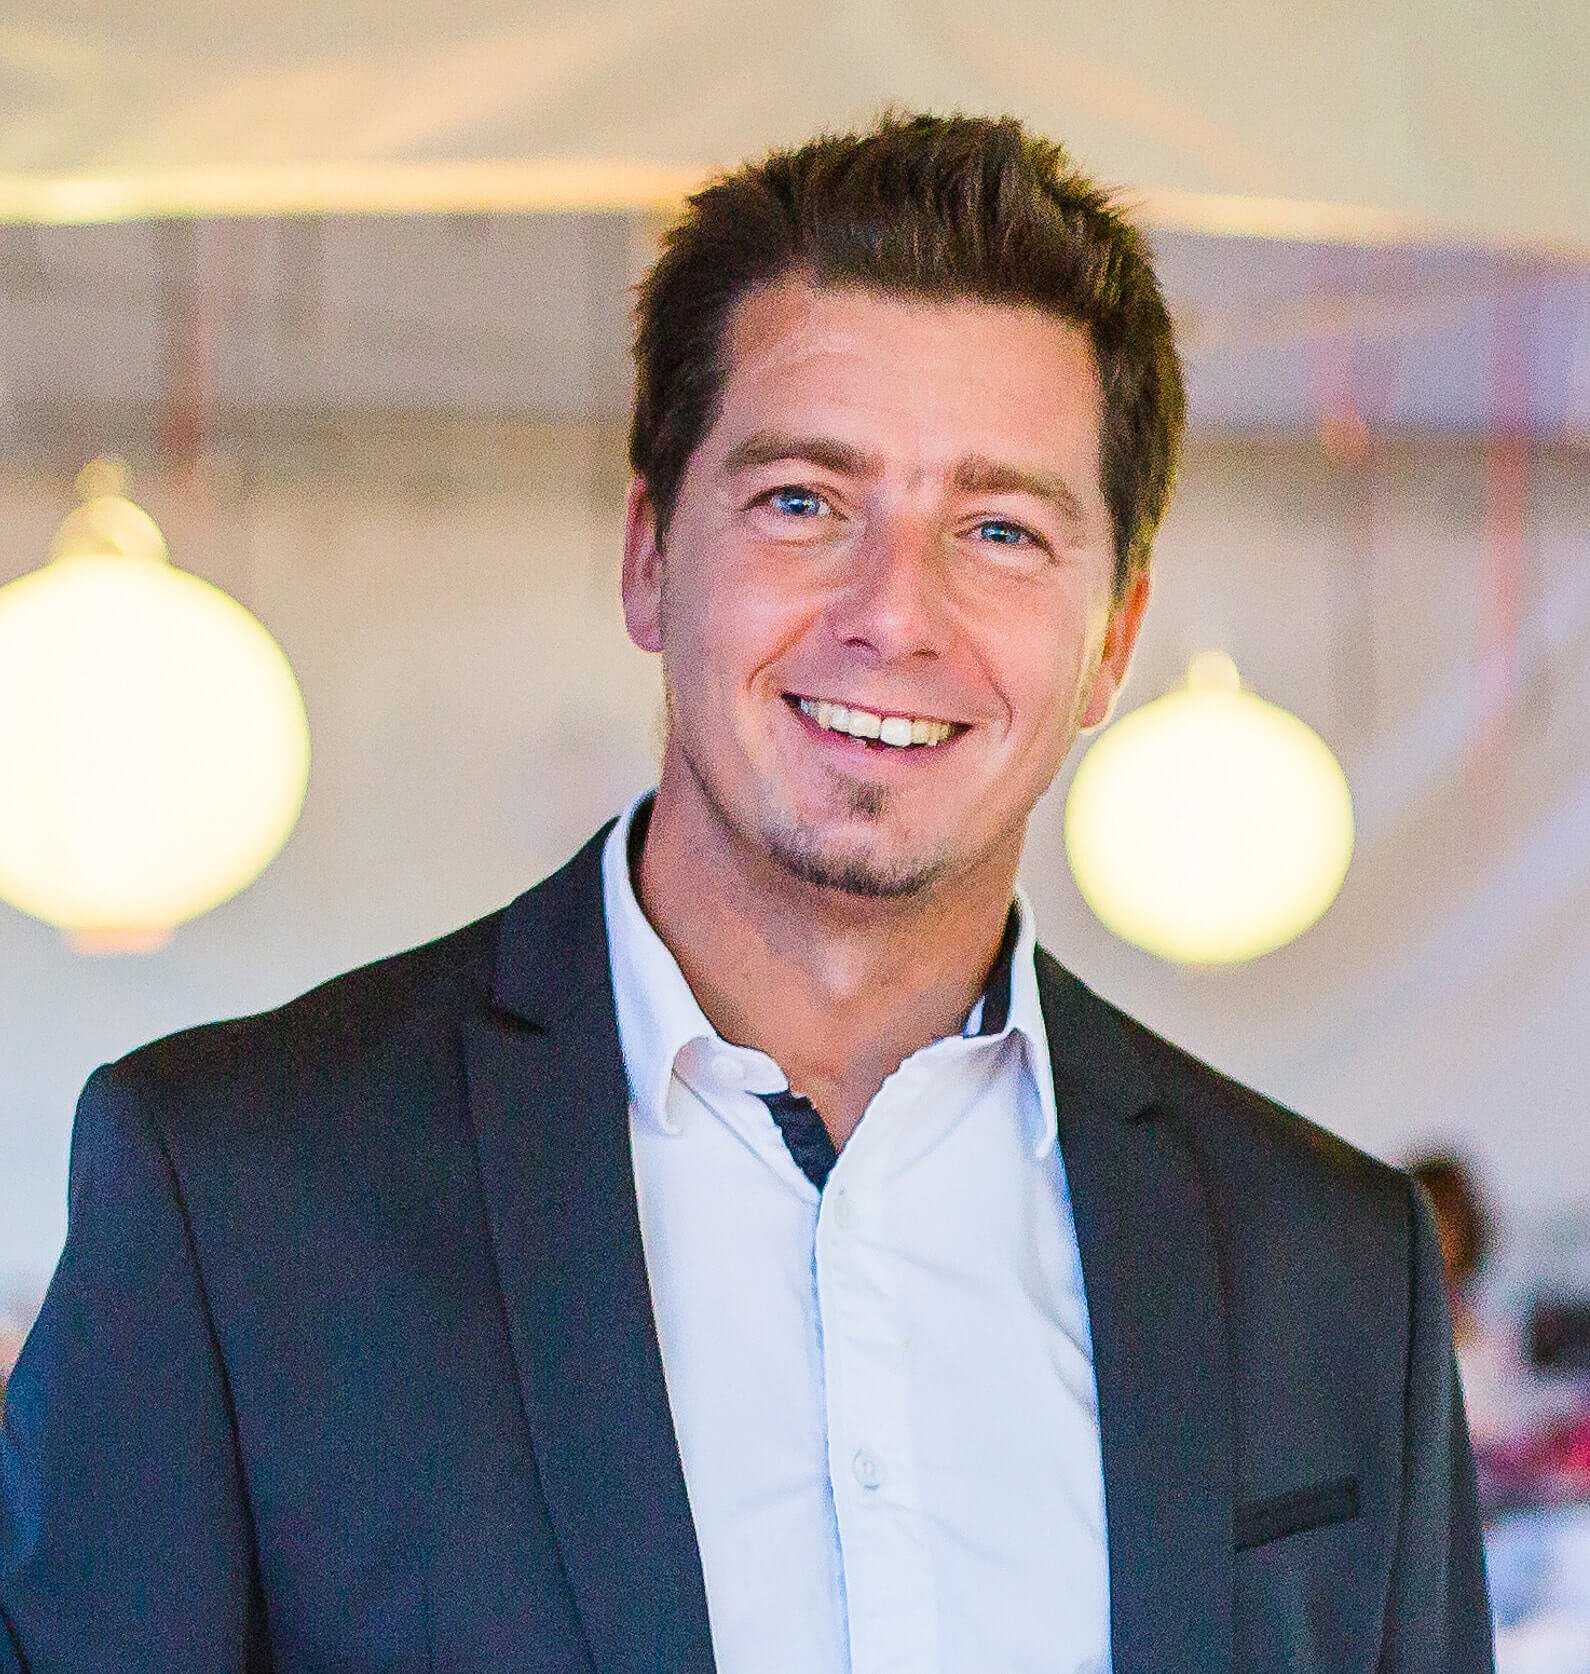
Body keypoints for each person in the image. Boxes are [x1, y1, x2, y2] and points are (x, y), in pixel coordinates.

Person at [0, 113, 1491, 1673]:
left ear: (1111, 636)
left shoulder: (1331, 1265)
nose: (892, 613)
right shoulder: (240, 1188)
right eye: (801, 501)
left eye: (998, 529)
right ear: (650, 556)